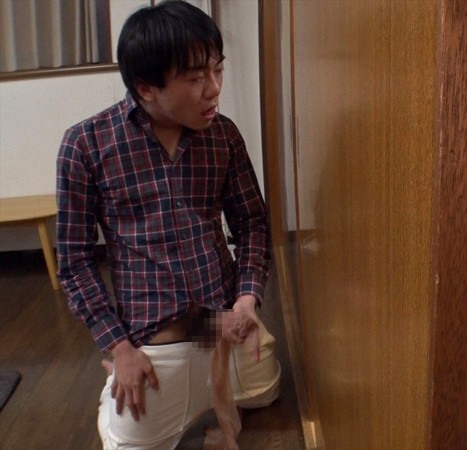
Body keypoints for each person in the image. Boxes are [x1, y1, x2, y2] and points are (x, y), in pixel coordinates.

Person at [56, 1, 277, 448]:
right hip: (156, 334)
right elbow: (75, 262)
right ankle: (115, 390)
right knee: (127, 442)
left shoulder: (224, 134)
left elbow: (252, 222)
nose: (214, 89)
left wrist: (247, 299)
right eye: (195, 79)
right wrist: (121, 350)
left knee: (266, 391)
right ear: (147, 88)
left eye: (218, 70)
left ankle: (212, 388)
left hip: (220, 321)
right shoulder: (86, 144)